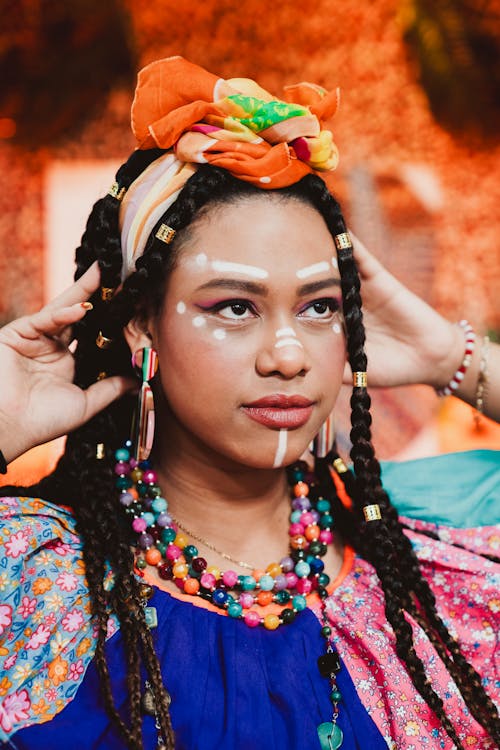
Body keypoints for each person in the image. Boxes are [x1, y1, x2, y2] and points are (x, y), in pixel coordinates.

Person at [0, 56, 498, 750]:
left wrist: (453, 357)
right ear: (143, 323)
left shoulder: (435, 560)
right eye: (235, 306)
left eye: (321, 307)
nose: (289, 354)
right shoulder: (32, 578)